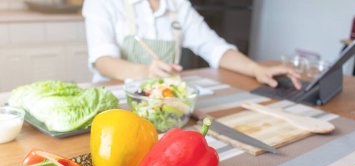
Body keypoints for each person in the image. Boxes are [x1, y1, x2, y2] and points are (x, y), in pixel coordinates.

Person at [82, 0, 301, 89]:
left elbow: (214, 47)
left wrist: (257, 69)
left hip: (162, 100)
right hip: (116, 98)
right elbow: (102, 60)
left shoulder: (177, 4)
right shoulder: (101, 2)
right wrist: (145, 71)